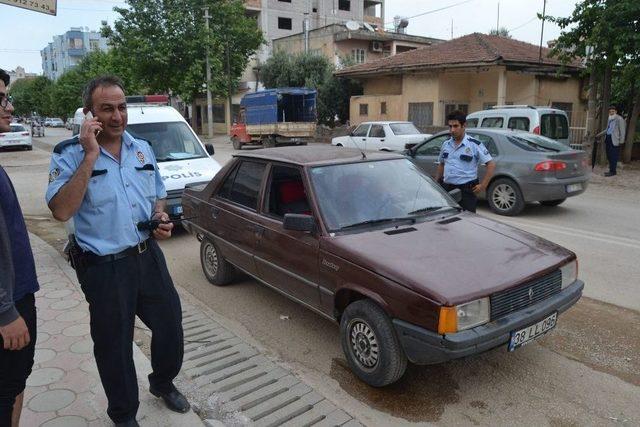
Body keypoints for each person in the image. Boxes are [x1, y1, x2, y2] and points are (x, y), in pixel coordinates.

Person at [45, 76, 188, 427]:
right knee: (114, 345)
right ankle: (123, 414)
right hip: (104, 267)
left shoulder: (142, 148)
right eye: (107, 109)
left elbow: (157, 192)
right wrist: (91, 155)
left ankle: (162, 382)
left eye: (121, 107)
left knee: (170, 325)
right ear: (89, 114)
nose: (117, 116)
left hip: (146, 255)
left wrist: (160, 216)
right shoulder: (69, 155)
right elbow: (61, 210)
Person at [0, 68, 40, 427]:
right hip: (8, 306)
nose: (9, 106)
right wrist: (5, 312)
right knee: (7, 385)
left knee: (16, 380)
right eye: (1, 98)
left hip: (17, 294)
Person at [435, 110, 496, 212]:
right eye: (450, 126)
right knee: (447, 222)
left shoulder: (474, 144)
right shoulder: (446, 144)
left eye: (455, 126)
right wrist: (436, 183)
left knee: (467, 223)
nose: (452, 130)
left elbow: (491, 165)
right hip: (447, 189)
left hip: (466, 191)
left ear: (464, 125)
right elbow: (442, 164)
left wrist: (483, 185)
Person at [597, 105, 626, 177]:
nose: (611, 113)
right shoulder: (609, 119)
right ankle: (611, 170)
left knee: (613, 156)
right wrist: (598, 135)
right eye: (610, 112)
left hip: (615, 141)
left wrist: (621, 141)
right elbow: (607, 129)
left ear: (616, 111)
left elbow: (622, 131)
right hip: (608, 139)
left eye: (613, 111)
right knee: (609, 156)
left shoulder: (619, 119)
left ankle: (613, 171)